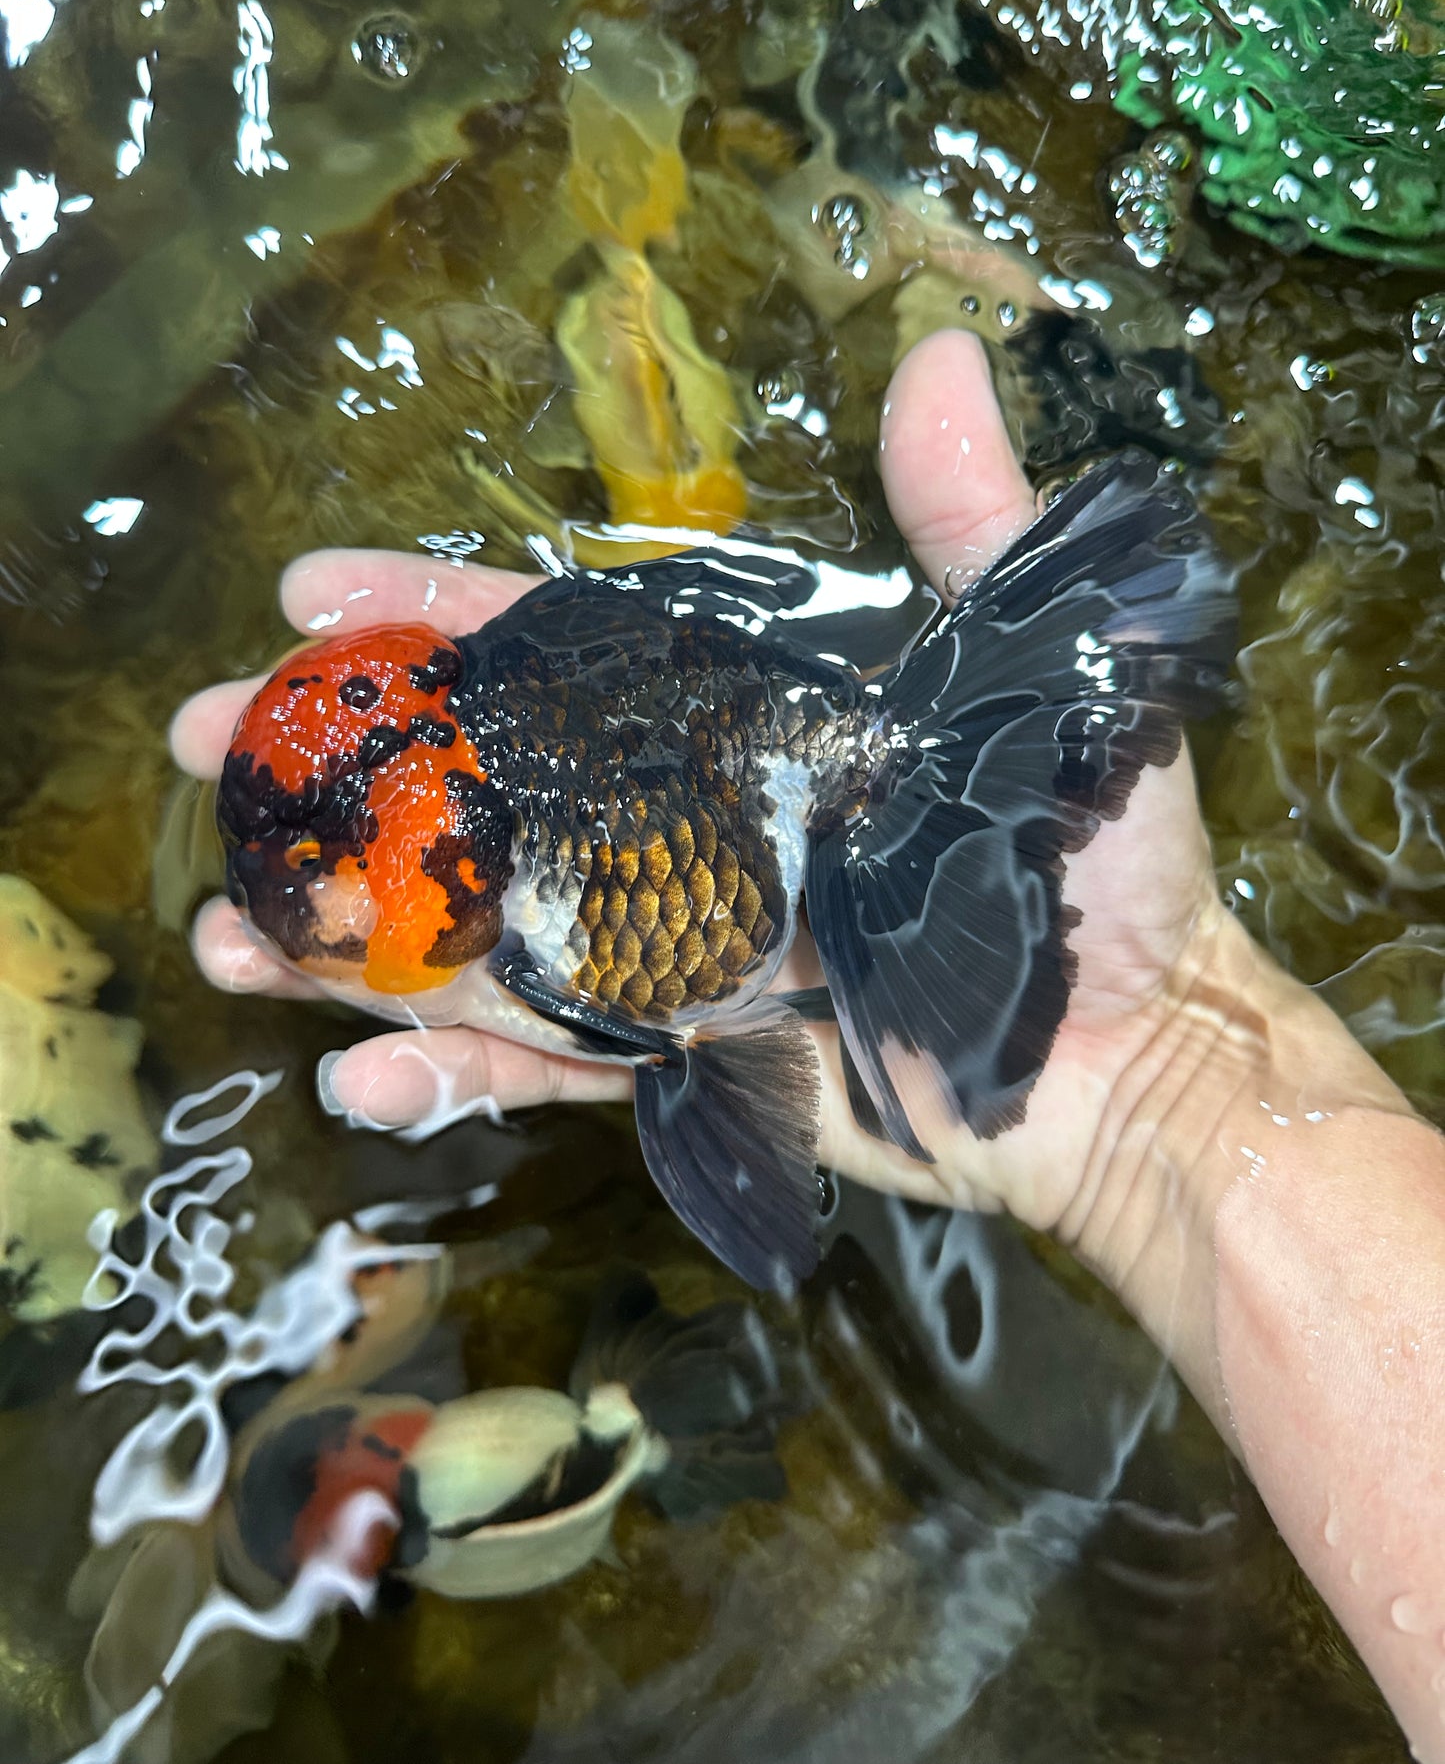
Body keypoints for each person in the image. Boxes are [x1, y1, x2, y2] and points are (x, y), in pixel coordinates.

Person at [171, 328, 1445, 1757]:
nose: (283, 878)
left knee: (679, 1031)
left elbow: (667, 1013)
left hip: (767, 795)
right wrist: (1174, 1106)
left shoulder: (520, 876)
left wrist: (1163, 1088)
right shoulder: (476, 768)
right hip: (749, 766)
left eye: (313, 858)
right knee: (685, 1031)